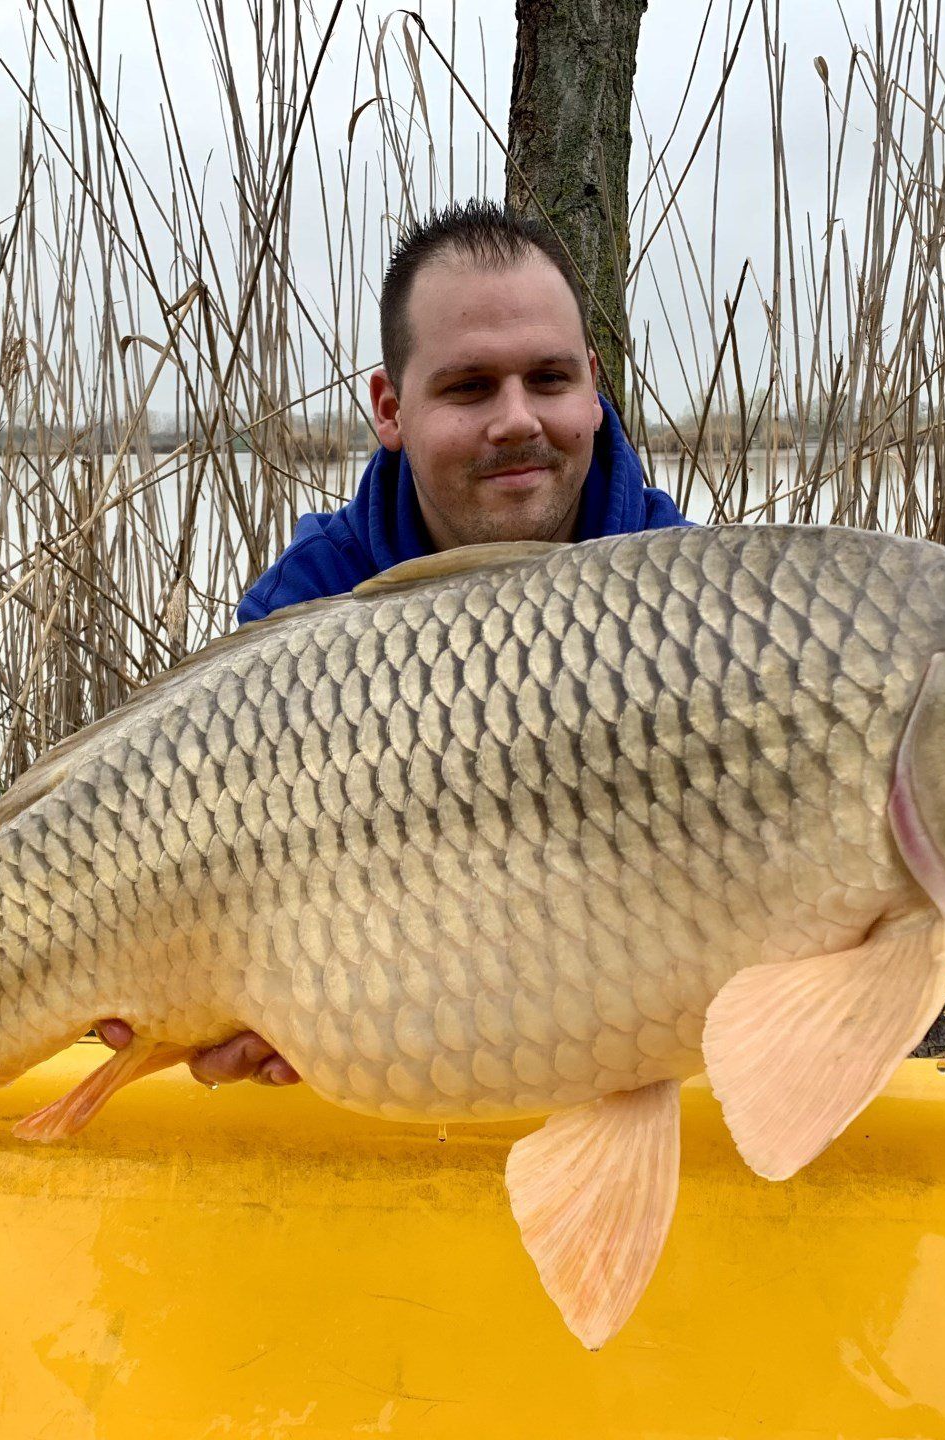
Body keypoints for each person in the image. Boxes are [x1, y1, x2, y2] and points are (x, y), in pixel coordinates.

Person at [104, 200, 691, 1088]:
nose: (517, 420)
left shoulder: (690, 603)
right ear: (390, 406)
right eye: (469, 387)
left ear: (595, 391)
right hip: (388, 1077)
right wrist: (229, 1002)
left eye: (550, 379)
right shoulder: (302, 609)